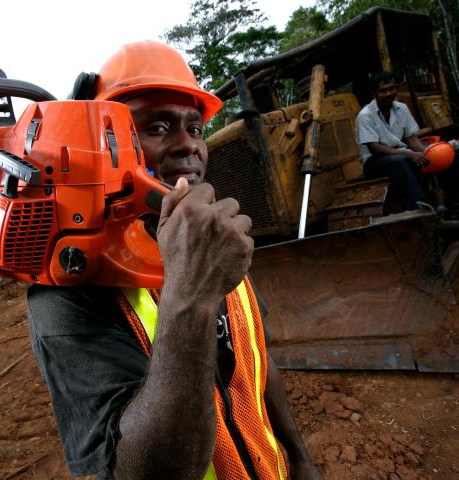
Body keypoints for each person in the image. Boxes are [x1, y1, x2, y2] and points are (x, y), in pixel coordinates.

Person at [27, 40, 320, 480]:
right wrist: (192, 293)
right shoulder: (70, 289)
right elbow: (143, 471)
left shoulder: (211, 240)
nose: (189, 147)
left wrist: (299, 457)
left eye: (196, 129)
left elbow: (252, 356)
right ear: (103, 143)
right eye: (159, 127)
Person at [355, 71, 459, 212]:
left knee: (444, 155)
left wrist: (428, 153)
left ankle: (453, 202)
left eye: (392, 89)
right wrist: (409, 155)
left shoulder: (401, 108)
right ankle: (420, 206)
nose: (389, 93)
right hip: (375, 161)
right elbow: (375, 148)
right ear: (374, 93)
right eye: (383, 91)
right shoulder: (365, 115)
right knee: (399, 161)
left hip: (400, 154)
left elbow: (411, 139)